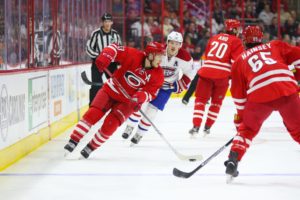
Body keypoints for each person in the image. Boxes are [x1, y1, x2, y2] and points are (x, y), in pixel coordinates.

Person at [64, 42, 165, 158]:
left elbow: (151, 93)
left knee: (110, 126)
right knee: (93, 113)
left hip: (127, 102)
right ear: (151, 55)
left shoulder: (159, 75)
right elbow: (115, 48)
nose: (161, 59)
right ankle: (73, 141)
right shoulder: (134, 55)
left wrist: (140, 98)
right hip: (110, 90)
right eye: (159, 55)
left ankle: (90, 147)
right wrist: (106, 56)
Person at [224, 25, 300, 180]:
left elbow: (238, 95)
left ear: (244, 42)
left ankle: (233, 159)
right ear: (262, 38)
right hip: (286, 87)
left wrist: (242, 120)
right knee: (298, 130)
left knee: (248, 130)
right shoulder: (275, 45)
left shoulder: (239, 61)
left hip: (259, 95)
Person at [121, 31, 194, 145]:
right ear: (167, 42)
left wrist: (177, 87)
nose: (174, 46)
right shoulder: (158, 50)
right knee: (140, 103)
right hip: (151, 83)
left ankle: (140, 133)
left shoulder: (185, 58)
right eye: (171, 43)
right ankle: (130, 126)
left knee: (152, 110)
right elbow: (145, 62)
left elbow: (189, 74)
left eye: (177, 43)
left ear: (181, 45)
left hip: (166, 88)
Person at [189, 19, 244, 136]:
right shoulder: (236, 41)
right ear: (234, 29)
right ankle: (207, 127)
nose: (239, 31)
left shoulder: (214, 37)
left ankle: (195, 126)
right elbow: (236, 62)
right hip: (222, 75)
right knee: (216, 102)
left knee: (200, 100)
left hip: (206, 72)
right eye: (238, 29)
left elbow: (208, 55)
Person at [86, 13, 122, 105]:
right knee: (96, 85)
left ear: (112, 22)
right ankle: (93, 106)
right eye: (105, 21)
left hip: (111, 64)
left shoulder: (116, 35)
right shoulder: (96, 34)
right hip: (98, 63)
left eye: (109, 21)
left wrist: (115, 60)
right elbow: (89, 48)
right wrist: (99, 56)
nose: (107, 23)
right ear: (102, 22)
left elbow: (120, 49)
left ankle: (116, 105)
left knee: (115, 85)